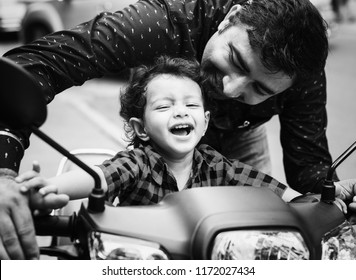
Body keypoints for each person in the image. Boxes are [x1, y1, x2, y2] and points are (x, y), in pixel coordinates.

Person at [0, 0, 355, 259]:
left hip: (238, 146)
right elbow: (35, 65)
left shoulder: (301, 77)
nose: (230, 91)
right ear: (229, 18)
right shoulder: (163, 22)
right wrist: (4, 176)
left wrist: (335, 199)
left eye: (260, 90)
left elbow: (310, 179)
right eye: (235, 60)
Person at [15, 56, 354, 214]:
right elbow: (100, 177)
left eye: (190, 105)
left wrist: (321, 203)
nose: (180, 112)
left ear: (204, 122)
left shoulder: (217, 166)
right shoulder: (138, 162)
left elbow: (278, 192)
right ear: (140, 129)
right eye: (164, 107)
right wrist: (49, 188)